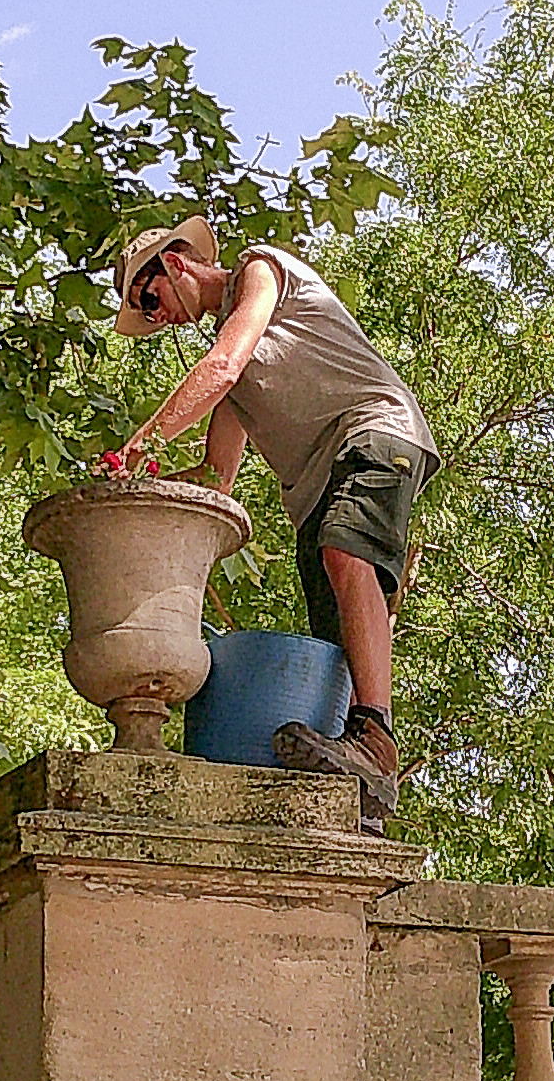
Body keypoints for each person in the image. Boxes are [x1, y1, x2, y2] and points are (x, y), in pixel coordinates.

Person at [108, 215, 436, 832]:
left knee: (346, 554)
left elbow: (224, 366)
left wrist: (143, 441)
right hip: (315, 487)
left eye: (149, 300)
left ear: (176, 264)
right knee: (335, 631)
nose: (157, 319)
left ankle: (376, 738)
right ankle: (361, 791)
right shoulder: (231, 366)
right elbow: (216, 476)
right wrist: (143, 492)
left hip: (375, 431)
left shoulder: (259, 270)